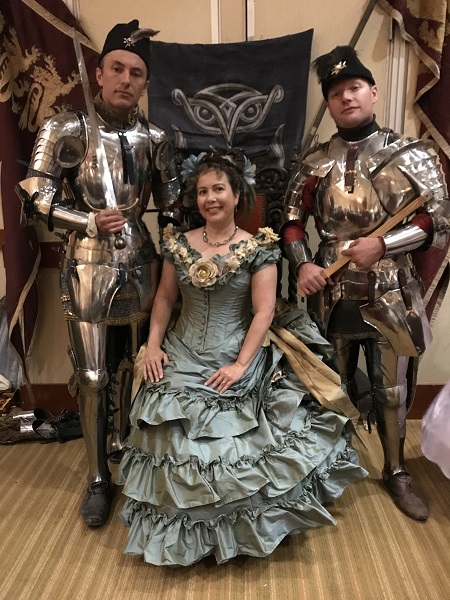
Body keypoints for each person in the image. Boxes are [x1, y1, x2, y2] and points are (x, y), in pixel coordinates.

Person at [117, 150, 366, 566]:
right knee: (168, 420)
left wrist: (240, 366)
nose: (210, 198)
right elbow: (163, 299)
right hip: (180, 349)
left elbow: (264, 312)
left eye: (218, 189)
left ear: (236, 195)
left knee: (238, 433)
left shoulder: (258, 247)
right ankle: (187, 531)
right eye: (201, 192)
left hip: (237, 349)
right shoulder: (177, 246)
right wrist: (154, 345)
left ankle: (242, 526)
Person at [16, 20, 180, 527]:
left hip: (142, 260)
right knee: (92, 375)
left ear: (145, 83)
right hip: (87, 259)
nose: (126, 79)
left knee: (138, 369)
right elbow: (34, 194)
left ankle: (131, 460)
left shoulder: (157, 137)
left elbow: (172, 207)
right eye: (117, 68)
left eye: (136, 72)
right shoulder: (65, 129)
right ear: (99, 71)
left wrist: (184, 250)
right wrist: (82, 218)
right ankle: (96, 478)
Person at [281, 45, 450, 521]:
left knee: (391, 388)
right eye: (336, 93)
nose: (346, 98)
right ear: (329, 104)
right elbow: (291, 221)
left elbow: (439, 220)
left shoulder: (409, 155)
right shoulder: (314, 161)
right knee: (329, 383)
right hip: (330, 287)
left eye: (354, 88)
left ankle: (396, 470)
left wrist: (387, 246)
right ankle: (330, 465)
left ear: (373, 92)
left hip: (391, 285)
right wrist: (302, 265)